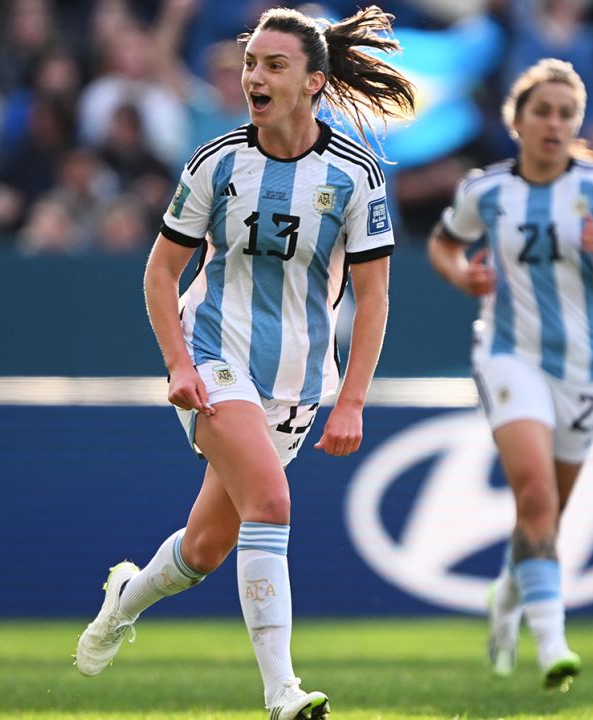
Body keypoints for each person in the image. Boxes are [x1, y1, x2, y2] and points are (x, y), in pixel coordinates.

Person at [74, 7, 414, 720]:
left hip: (297, 385)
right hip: (213, 356)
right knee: (273, 504)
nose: (253, 75)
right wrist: (178, 364)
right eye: (250, 62)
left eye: (273, 65)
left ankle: (121, 603)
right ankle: (282, 693)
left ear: (313, 82)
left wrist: (351, 399)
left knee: (203, 549)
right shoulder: (215, 161)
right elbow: (160, 274)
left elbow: (375, 298)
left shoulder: (356, 178)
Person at [427, 58, 593, 690]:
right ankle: (553, 644)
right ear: (518, 121)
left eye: (566, 113)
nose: (554, 123)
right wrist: (462, 275)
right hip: (508, 353)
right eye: (543, 111)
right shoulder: (486, 191)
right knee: (533, 496)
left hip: (588, 365)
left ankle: (505, 600)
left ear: (576, 123)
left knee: (546, 515)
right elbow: (443, 244)